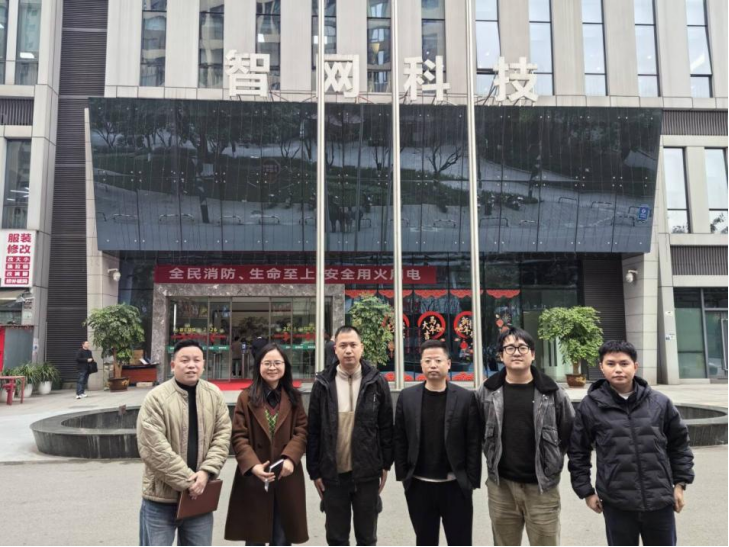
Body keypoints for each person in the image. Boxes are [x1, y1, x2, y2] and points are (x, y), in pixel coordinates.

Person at [568, 341, 695, 547]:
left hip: (659, 500)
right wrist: (587, 492)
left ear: (635, 366)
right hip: (617, 503)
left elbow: (679, 445)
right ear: (601, 367)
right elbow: (578, 452)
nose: (618, 369)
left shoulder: (660, 402)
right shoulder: (590, 407)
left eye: (624, 363)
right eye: (611, 364)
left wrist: (680, 484)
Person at [476, 327, 574, 547]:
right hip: (501, 487)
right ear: (501, 355)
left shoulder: (553, 393)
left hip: (542, 488)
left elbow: (569, 433)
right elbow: (479, 432)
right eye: (510, 348)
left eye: (522, 347)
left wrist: (554, 463)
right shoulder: (487, 392)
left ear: (533, 354)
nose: (517, 353)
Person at [137, 339, 232, 546]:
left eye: (197, 360)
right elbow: (153, 448)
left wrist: (206, 472)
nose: (191, 365)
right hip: (161, 499)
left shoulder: (214, 395)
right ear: (173, 365)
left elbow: (222, 436)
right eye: (185, 360)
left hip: (199, 498)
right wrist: (190, 482)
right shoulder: (156, 398)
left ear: (203, 364)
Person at [307, 326, 394, 546]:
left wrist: (386, 464)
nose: (348, 350)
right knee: (336, 538)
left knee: (367, 537)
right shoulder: (322, 384)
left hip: (367, 473)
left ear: (361, 348)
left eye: (353, 345)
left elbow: (386, 426)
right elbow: (314, 429)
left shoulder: (377, 382)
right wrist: (314, 470)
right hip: (333, 474)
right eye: (343, 345)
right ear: (335, 349)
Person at [395, 339, 482, 546]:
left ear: (448, 364)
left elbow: (473, 441)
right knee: (425, 540)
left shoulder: (465, 398)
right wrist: (404, 476)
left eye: (438, 360)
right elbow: (400, 437)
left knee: (460, 541)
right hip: (419, 485)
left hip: (455, 486)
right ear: (421, 364)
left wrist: (470, 481)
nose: (433, 365)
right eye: (427, 361)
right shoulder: (407, 397)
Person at [226, 344, 309, 546]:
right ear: (259, 366)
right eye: (267, 363)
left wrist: (290, 458)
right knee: (255, 537)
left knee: (282, 537)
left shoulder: (294, 397)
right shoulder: (246, 397)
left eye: (277, 363)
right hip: (256, 476)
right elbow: (239, 435)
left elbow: (302, 430)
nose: (272, 367)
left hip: (285, 474)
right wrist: (253, 465)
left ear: (285, 366)